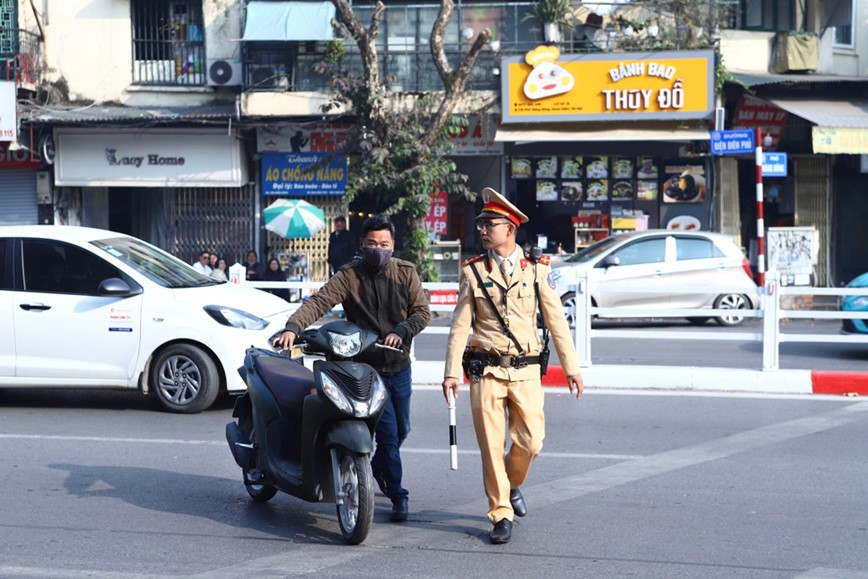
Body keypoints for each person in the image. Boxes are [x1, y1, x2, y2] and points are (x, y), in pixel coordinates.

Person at [441, 187, 584, 545]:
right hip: (484, 370)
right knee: (491, 445)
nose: (483, 229)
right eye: (481, 223)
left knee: (532, 441)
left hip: (525, 370)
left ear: (511, 228)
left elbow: (556, 321)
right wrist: (449, 372)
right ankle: (500, 512)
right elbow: (460, 324)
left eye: (490, 223)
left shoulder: (537, 269)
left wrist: (572, 368)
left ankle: (512, 482)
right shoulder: (473, 272)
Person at [274, 214, 430, 522]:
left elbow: (422, 312)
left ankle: (382, 469)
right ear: (362, 244)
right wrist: (293, 327)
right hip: (363, 370)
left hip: (398, 366)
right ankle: (398, 494)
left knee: (403, 429)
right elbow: (319, 302)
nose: (378, 249)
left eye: (384, 244)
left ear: (393, 245)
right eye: (372, 243)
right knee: (386, 434)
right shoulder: (349, 275)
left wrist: (402, 330)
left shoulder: (405, 273)